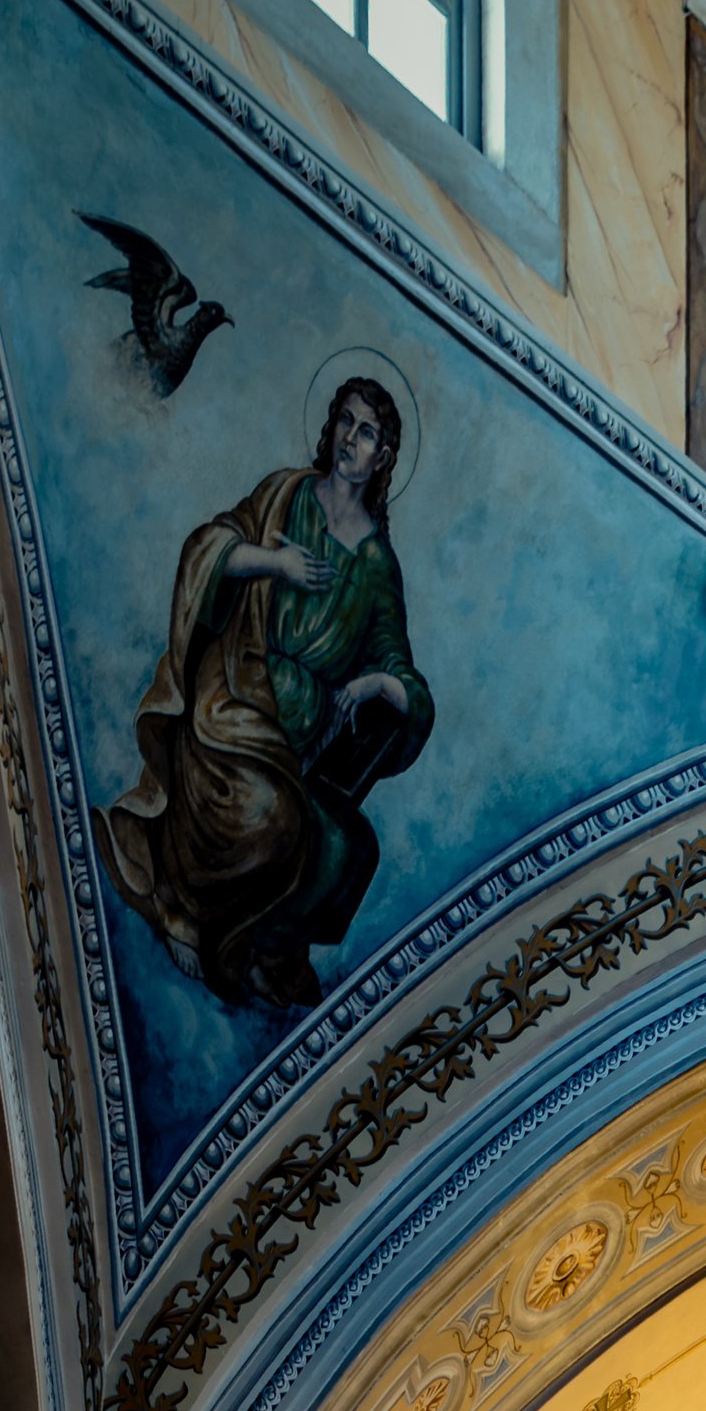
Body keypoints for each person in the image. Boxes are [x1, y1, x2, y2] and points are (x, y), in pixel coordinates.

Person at [98, 373, 433, 1009]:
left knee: (350, 848)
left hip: (298, 748)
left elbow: (402, 669)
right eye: (346, 421)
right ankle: (187, 914)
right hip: (231, 696)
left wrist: (374, 682)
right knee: (270, 817)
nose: (350, 440)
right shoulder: (287, 495)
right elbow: (209, 550)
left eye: (367, 434)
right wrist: (274, 563)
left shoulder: (377, 565)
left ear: (383, 458)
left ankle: (256, 951)